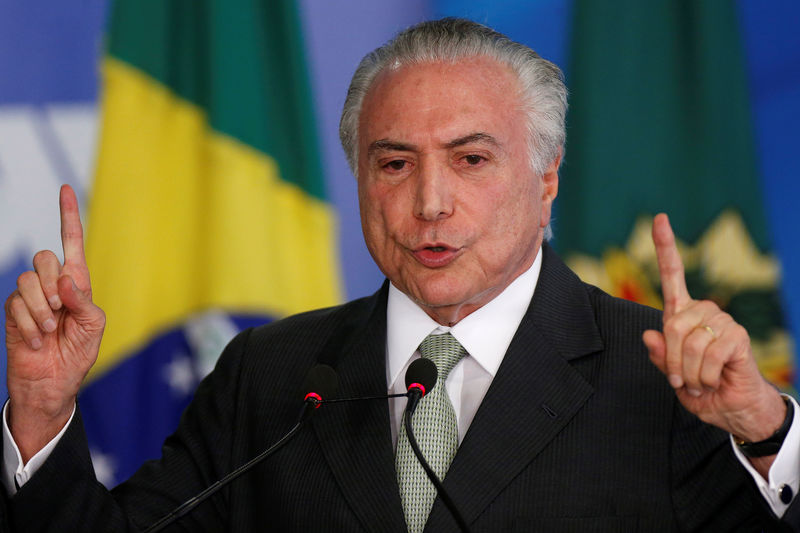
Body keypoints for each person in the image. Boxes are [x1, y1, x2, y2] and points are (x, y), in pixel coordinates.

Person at [2, 18, 798, 532]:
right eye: (394, 163)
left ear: (547, 177)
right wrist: (41, 409)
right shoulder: (269, 376)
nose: (429, 203)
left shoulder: (662, 374)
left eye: (471, 159)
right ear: (358, 178)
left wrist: (766, 433)